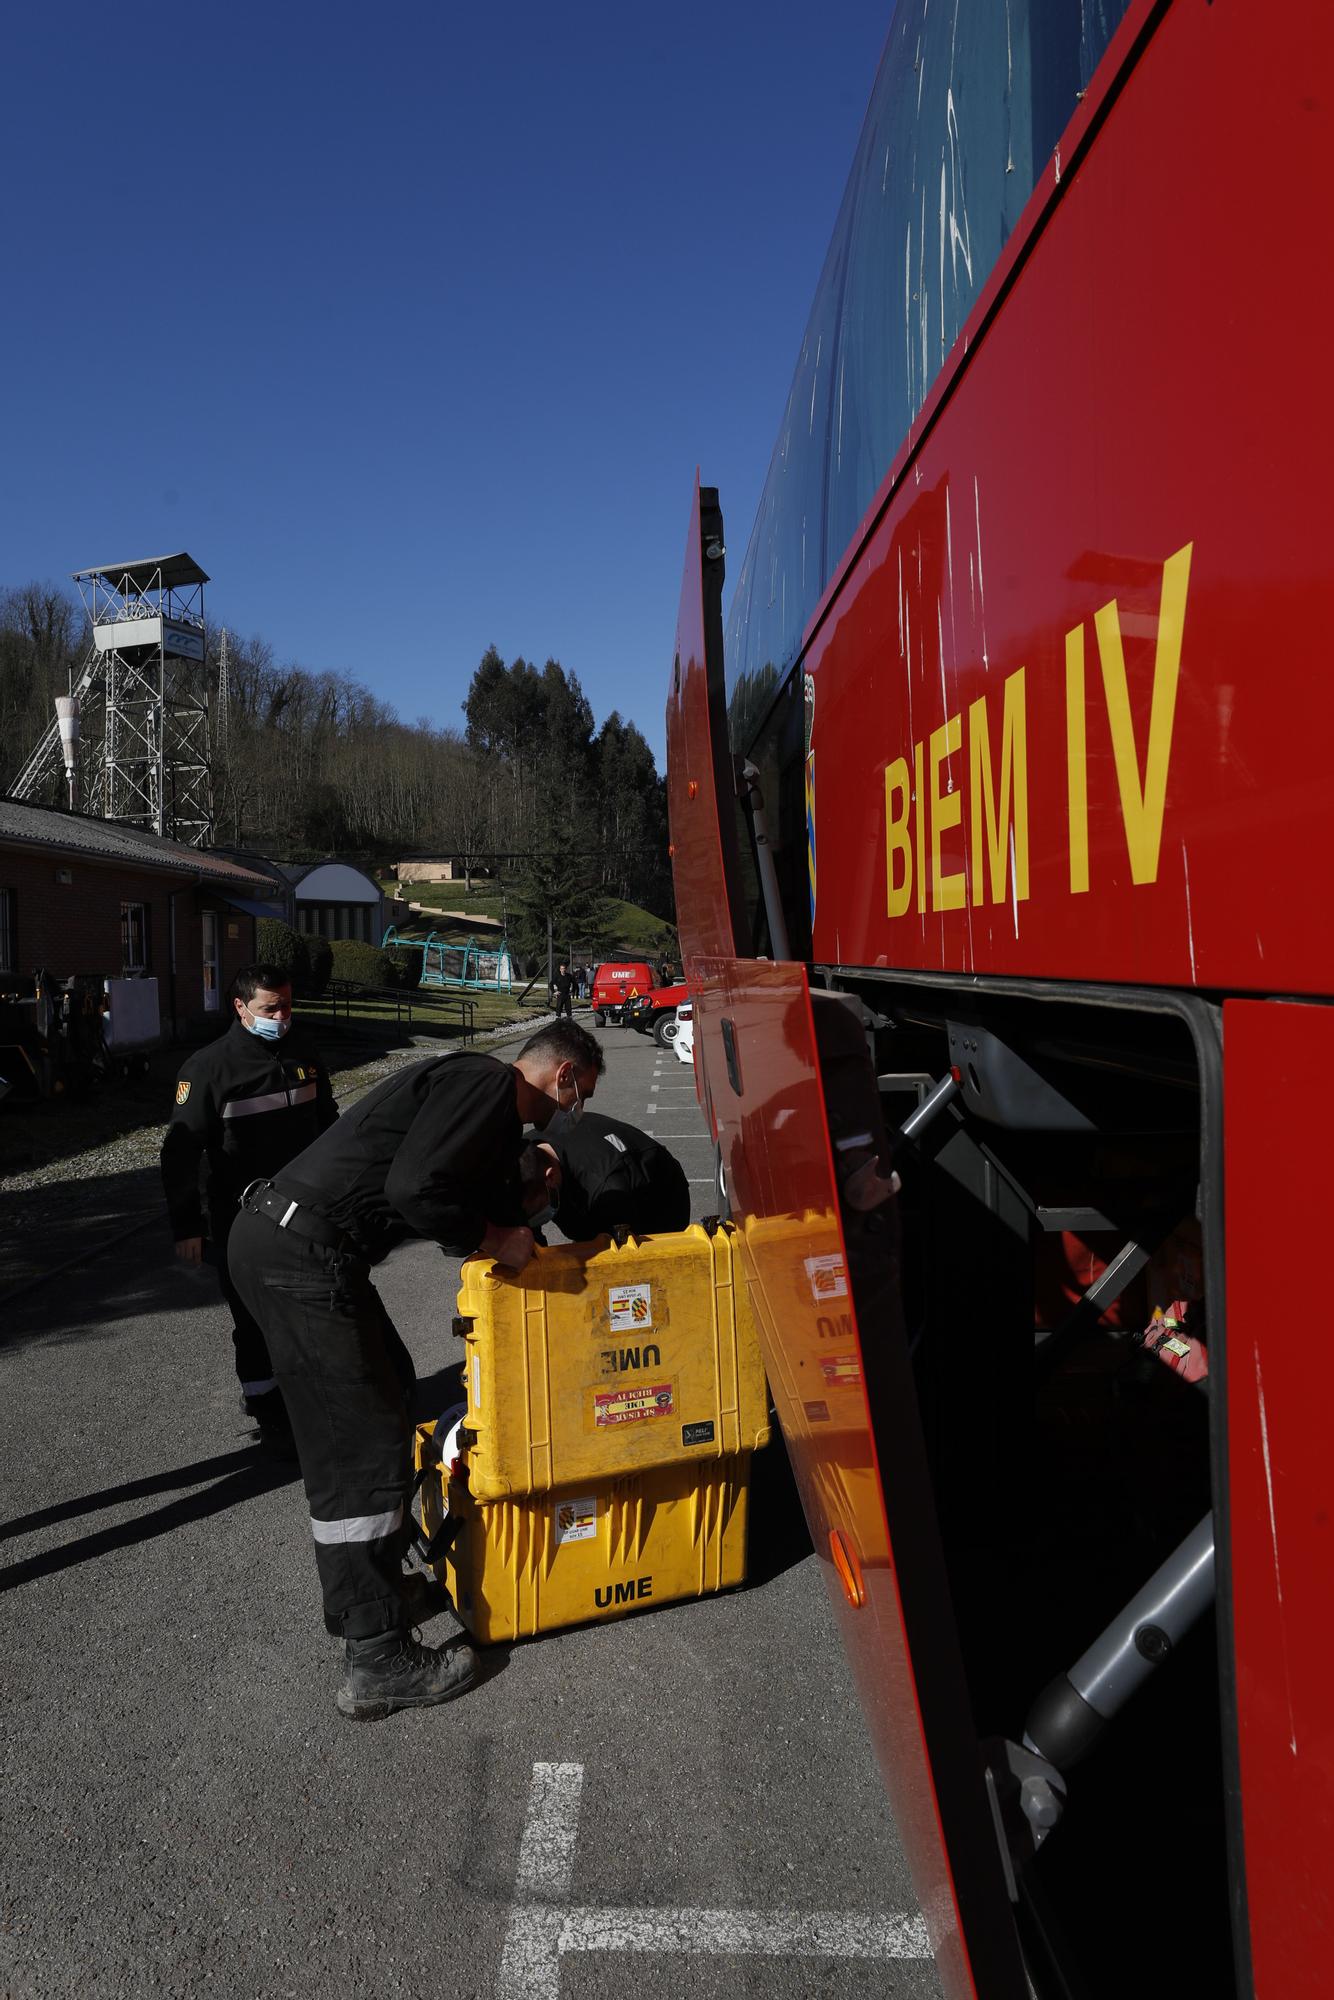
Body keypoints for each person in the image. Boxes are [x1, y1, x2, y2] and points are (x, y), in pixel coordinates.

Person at [226, 1019, 604, 1721]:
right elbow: (416, 1190)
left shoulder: (478, 1104)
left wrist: (519, 1231)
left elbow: (461, 1195)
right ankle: (376, 1658)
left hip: (296, 1246)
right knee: (361, 1447)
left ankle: (381, 1587)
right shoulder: (489, 1086)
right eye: (577, 1096)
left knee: (391, 1391)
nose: (569, 1110)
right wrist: (495, 1236)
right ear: (566, 1077)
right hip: (299, 1255)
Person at [160, 962, 336, 1442]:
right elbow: (179, 1152)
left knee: (310, 1311)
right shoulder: (208, 1068)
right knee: (255, 1320)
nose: (281, 1016)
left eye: (287, 1005)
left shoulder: (302, 1050)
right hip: (242, 1217)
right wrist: (186, 1226)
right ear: (240, 1007)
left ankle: (308, 1397)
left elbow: (328, 1122)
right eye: (269, 1008)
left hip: (305, 1212)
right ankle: (266, 1408)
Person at [532, 1109, 691, 1241]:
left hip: (661, 1197)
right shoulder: (523, 1151)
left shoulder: (605, 1188)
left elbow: (614, 1257)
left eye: (537, 1210)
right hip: (594, 1166)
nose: (535, 1217)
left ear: (550, 1177)